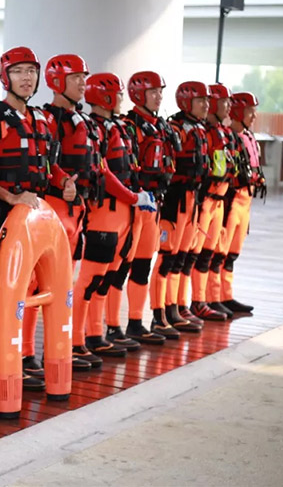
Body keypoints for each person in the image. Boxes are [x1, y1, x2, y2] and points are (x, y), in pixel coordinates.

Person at [0, 47, 75, 379]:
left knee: (30, 287)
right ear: (5, 76)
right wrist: (10, 196)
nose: (26, 78)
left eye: (31, 71)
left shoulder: (43, 120)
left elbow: (49, 166)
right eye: (19, 71)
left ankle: (21, 354)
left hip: (34, 218)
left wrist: (63, 181)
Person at [69, 72, 158, 362]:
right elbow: (103, 172)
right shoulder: (94, 128)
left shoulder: (116, 126)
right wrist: (133, 197)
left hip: (124, 215)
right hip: (105, 213)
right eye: (119, 94)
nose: (122, 100)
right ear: (105, 97)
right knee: (90, 278)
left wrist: (138, 197)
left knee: (108, 277)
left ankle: (97, 334)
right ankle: (76, 340)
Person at [105, 71, 176, 346]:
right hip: (132, 206)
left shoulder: (160, 125)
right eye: (153, 92)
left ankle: (136, 322)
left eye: (160, 91)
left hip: (153, 204)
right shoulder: (128, 124)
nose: (159, 97)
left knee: (143, 265)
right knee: (120, 268)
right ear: (138, 95)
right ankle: (112, 326)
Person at [151, 81, 212, 337]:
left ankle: (175, 307)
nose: (206, 106)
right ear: (187, 103)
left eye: (207, 101)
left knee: (181, 258)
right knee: (166, 258)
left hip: (192, 201)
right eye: (201, 101)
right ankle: (159, 314)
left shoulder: (199, 128)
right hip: (175, 202)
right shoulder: (177, 128)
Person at [207, 92, 263, 312]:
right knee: (218, 252)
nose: (254, 116)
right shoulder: (229, 136)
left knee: (232, 253)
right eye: (251, 111)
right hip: (230, 200)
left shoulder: (247, 137)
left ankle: (225, 295)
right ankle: (213, 297)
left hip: (245, 201)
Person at [184, 84, 236, 321]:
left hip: (219, 200)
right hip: (204, 200)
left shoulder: (220, 131)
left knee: (207, 255)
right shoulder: (203, 131)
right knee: (192, 254)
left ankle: (202, 300)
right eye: (224, 101)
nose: (229, 106)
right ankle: (193, 302)